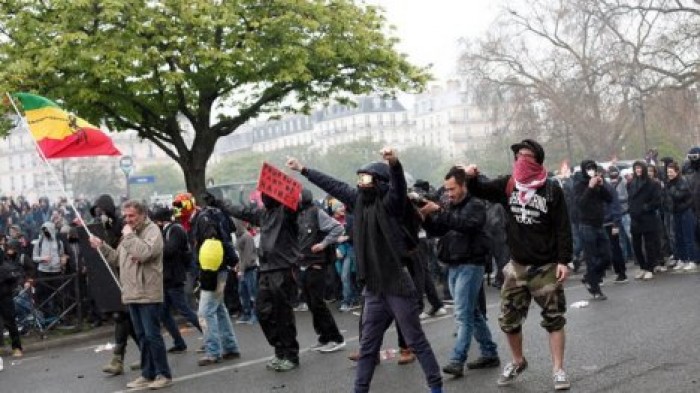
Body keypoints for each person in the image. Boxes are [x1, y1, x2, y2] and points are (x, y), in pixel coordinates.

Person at [287, 147, 444, 393]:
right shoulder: (358, 200)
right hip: (373, 288)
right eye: (359, 178)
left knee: (415, 340)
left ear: (381, 182)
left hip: (397, 284)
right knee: (368, 347)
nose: (361, 183)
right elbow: (333, 184)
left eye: (367, 178)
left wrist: (395, 164)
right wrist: (304, 170)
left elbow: (399, 188)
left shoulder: (393, 204)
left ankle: (436, 387)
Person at [463, 139, 572, 391]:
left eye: (527, 155)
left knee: (554, 319)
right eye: (519, 154)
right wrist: (471, 177)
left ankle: (558, 369)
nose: (522, 158)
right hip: (517, 265)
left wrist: (564, 261)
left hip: (545, 266)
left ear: (537, 160)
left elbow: (563, 227)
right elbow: (481, 190)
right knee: (508, 320)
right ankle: (518, 360)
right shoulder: (508, 184)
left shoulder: (552, 189)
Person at [419, 166, 499, 378]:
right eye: (446, 189)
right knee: (472, 313)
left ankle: (457, 359)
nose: (449, 193)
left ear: (463, 185)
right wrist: (426, 216)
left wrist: (439, 211)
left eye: (452, 189)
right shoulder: (449, 206)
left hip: (471, 265)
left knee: (463, 315)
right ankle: (490, 352)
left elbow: (466, 225)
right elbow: (437, 230)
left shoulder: (475, 204)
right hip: (453, 265)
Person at [89, 200, 172, 390]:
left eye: (132, 216)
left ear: (142, 215)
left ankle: (163, 374)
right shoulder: (129, 235)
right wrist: (101, 246)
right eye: (125, 216)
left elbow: (145, 253)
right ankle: (147, 373)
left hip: (148, 292)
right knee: (142, 336)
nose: (128, 220)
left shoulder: (152, 231)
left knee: (153, 336)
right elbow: (118, 259)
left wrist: (128, 237)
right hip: (131, 293)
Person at [226, 191, 301, 372]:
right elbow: (240, 211)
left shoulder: (287, 212)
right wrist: (219, 203)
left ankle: (290, 355)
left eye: (269, 194)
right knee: (262, 311)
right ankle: (279, 350)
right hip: (266, 270)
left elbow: (295, 204)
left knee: (283, 315)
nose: (265, 198)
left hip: (283, 269)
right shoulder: (263, 215)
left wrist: (288, 186)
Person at [189, 195, 241, 367]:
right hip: (219, 268)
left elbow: (213, 246)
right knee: (219, 309)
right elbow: (226, 239)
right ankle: (230, 347)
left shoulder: (203, 219)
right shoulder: (212, 215)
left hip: (212, 269)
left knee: (205, 312)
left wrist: (206, 271)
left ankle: (213, 351)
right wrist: (233, 260)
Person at [297, 189, 346, 353]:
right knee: (312, 304)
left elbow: (337, 228)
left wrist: (323, 244)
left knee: (318, 303)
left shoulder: (316, 212)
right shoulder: (300, 214)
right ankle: (324, 337)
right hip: (304, 264)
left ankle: (336, 338)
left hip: (317, 265)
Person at [151, 207, 203, 353]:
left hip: (174, 277)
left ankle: (209, 336)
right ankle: (178, 342)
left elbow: (170, 250)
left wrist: (154, 247)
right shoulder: (166, 231)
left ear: (160, 221)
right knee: (163, 313)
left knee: (185, 309)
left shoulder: (175, 230)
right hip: (166, 278)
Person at [574, 160, 612, 300]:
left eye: (593, 168)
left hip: (599, 224)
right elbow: (580, 204)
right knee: (592, 257)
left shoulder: (598, 182)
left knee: (607, 256)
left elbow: (609, 199)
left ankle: (590, 277)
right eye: (588, 168)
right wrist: (589, 188)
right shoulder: (579, 185)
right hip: (586, 225)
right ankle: (595, 289)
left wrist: (601, 186)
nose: (591, 170)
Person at [628, 161, 663, 280]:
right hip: (635, 217)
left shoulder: (651, 183)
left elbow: (657, 201)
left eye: (639, 168)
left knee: (649, 245)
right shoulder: (632, 183)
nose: (638, 170)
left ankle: (650, 268)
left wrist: (646, 207)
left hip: (647, 217)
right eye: (635, 168)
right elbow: (630, 198)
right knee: (636, 245)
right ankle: (642, 266)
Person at [666, 162, 698, 271]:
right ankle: (683, 259)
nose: (669, 174)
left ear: (676, 172)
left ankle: (692, 259)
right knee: (678, 237)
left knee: (688, 237)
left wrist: (671, 190)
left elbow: (679, 196)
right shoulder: (670, 183)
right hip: (675, 212)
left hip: (685, 212)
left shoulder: (682, 182)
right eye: (668, 172)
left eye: (671, 172)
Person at [0, 239, 24, 357]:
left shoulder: (5, 263)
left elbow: (13, 274)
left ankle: (17, 347)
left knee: (10, 322)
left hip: (4, 295)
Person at [233, 219, 258, 324]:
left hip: (250, 269)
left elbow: (248, 256)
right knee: (243, 293)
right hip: (243, 269)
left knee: (252, 293)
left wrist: (241, 270)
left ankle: (255, 315)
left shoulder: (247, 236)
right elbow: (241, 255)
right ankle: (246, 313)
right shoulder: (239, 237)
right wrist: (238, 266)